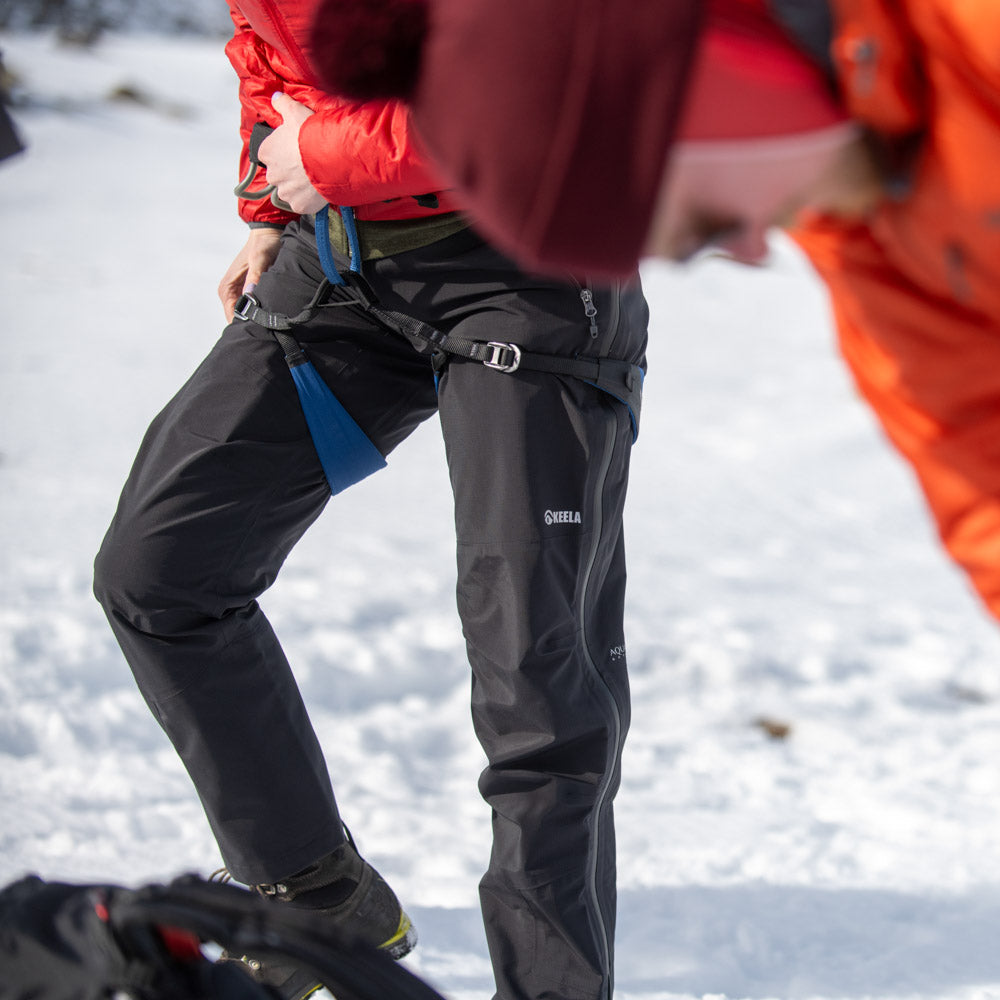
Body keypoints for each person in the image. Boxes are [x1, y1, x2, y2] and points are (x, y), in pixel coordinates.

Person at [93, 2, 649, 1000]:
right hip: (346, 256)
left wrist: (324, 155)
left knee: (532, 672)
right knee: (162, 571)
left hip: (528, 264)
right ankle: (316, 896)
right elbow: (268, 44)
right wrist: (271, 208)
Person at [307, 0, 1000, 632]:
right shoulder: (862, 221)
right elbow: (978, 475)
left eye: (708, 224)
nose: (756, 250)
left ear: (712, 68)